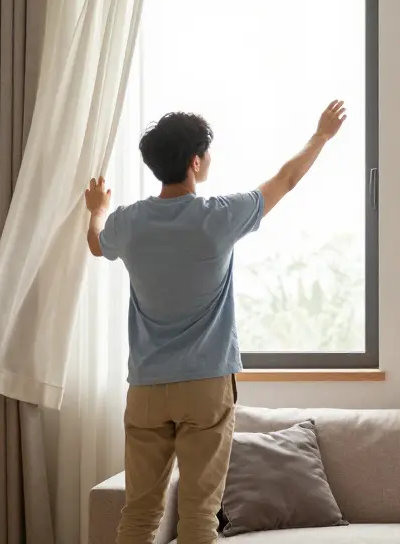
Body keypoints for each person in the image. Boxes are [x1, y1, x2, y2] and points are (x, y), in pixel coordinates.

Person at [84, 100, 347, 544]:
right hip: (204, 387)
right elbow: (287, 179)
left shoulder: (129, 222)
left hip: (146, 386)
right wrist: (321, 135)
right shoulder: (217, 217)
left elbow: (96, 243)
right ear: (194, 161)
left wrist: (96, 207)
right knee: (200, 516)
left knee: (139, 515)